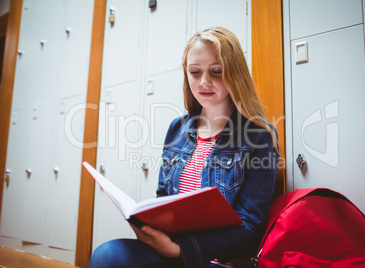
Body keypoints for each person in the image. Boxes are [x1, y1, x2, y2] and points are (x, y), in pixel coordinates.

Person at [88, 26, 279, 268]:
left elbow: (249, 222)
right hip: (168, 248)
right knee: (108, 254)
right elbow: (164, 200)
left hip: (216, 259)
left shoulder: (259, 136)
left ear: (235, 73)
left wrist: (181, 250)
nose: (204, 81)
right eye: (195, 72)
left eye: (217, 71)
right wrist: (148, 228)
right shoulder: (177, 129)